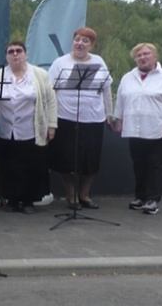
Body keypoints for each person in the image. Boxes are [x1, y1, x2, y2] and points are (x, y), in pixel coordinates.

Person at [113, 43, 162, 215]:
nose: (142, 57)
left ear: (155, 57)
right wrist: (118, 120)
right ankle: (141, 197)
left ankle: (153, 199)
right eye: (138, 55)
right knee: (139, 164)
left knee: (156, 165)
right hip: (134, 129)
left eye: (146, 54)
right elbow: (120, 101)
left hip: (157, 128)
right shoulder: (127, 77)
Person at [0, 41, 57, 214]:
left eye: (19, 51)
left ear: (25, 54)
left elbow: (50, 100)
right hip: (6, 129)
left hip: (31, 128)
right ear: (6, 56)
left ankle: (27, 201)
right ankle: (11, 199)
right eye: (11, 51)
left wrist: (52, 125)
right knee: (8, 165)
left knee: (30, 165)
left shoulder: (40, 74)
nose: (15, 54)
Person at [48, 27, 113, 210]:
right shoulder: (60, 62)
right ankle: (71, 195)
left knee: (90, 161)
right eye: (77, 39)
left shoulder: (99, 61)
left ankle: (85, 194)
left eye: (85, 41)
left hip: (93, 119)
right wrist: (51, 119)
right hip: (65, 118)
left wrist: (110, 114)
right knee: (66, 160)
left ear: (91, 45)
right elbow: (50, 91)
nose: (80, 43)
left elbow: (106, 90)